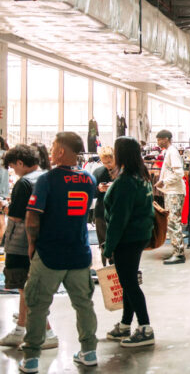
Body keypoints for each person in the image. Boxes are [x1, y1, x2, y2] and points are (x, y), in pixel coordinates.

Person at [19, 132, 99, 372]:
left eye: (54, 147)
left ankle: (31, 357)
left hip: (50, 253)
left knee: (38, 305)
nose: (51, 151)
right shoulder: (89, 180)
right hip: (79, 253)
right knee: (84, 304)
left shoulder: (47, 180)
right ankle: (89, 351)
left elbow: (32, 217)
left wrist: (32, 245)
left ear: (62, 151)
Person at [0, 144, 57, 350]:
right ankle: (19, 330)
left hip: (21, 242)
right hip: (41, 241)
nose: (13, 171)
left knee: (27, 290)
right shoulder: (46, 178)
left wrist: (4, 206)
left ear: (20, 163)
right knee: (27, 289)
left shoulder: (24, 183)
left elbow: (16, 216)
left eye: (13, 166)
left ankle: (48, 332)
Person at [102, 137, 155, 347]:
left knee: (130, 283)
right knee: (128, 281)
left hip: (127, 238)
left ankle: (145, 327)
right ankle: (125, 324)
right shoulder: (141, 176)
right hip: (139, 235)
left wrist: (109, 247)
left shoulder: (126, 181)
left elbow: (118, 218)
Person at [154, 129, 187, 265]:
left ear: (166, 139)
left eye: (159, 139)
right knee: (172, 221)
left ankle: (179, 253)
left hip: (174, 191)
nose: (158, 142)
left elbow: (179, 173)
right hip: (171, 191)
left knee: (174, 222)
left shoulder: (172, 152)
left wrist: (164, 181)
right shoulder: (169, 151)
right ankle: (177, 251)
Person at [93, 146, 118, 267]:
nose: (107, 165)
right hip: (101, 211)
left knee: (118, 242)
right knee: (103, 241)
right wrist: (99, 189)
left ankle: (117, 267)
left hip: (118, 211)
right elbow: (91, 192)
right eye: (104, 162)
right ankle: (106, 268)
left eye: (109, 162)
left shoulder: (122, 172)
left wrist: (115, 187)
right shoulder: (98, 172)